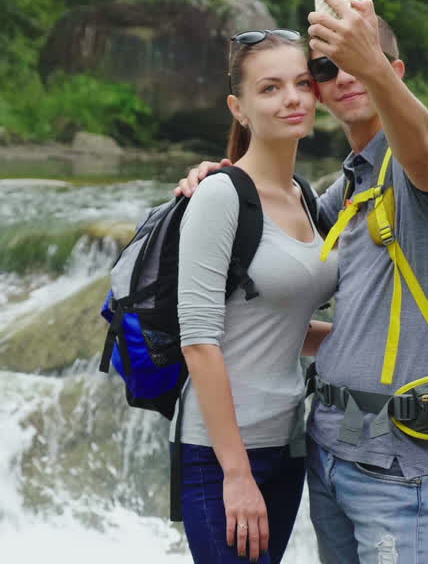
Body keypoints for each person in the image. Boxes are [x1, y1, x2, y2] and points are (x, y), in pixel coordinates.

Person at [177, 0, 428, 564]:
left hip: (397, 466)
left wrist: (367, 60)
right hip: (326, 450)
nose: (344, 78)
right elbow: (269, 299)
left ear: (392, 70)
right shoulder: (343, 190)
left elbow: (419, 148)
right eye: (327, 69)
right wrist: (214, 180)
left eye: (362, 64)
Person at [176, 27, 339, 563]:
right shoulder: (220, 195)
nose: (292, 98)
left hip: (288, 443)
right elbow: (198, 341)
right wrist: (237, 474)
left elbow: (279, 326)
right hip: (222, 455)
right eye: (269, 88)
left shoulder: (307, 198)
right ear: (238, 108)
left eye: (301, 83)